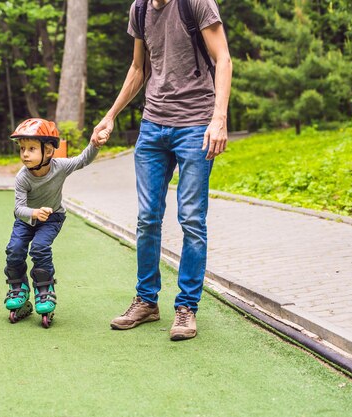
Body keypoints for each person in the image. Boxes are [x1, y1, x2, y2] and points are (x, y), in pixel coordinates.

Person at [90, 0, 232, 340]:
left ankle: (186, 308)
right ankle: (146, 301)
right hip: (153, 126)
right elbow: (139, 68)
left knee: (192, 219)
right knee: (147, 218)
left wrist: (219, 118)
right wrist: (110, 115)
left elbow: (223, 58)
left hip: (196, 126)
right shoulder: (139, 9)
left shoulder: (196, 3)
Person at [4, 118, 106, 328]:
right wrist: (34, 212)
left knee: (40, 248)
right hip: (26, 219)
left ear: (48, 151)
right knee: (14, 250)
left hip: (52, 218)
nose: (25, 154)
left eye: (31, 148)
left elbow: (82, 161)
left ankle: (44, 291)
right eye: (22, 148)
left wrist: (94, 144)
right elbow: (18, 209)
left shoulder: (60, 167)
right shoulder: (22, 177)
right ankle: (19, 289)